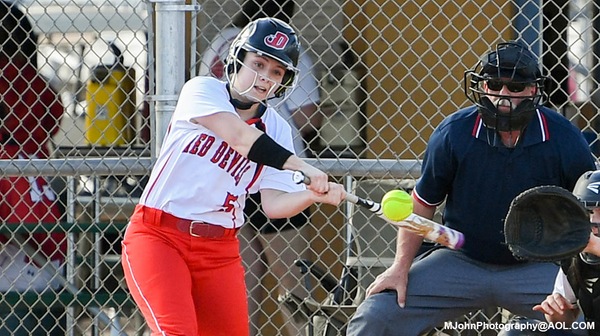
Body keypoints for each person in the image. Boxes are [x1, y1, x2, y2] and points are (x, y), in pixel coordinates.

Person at [346, 40, 597, 335]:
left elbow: (590, 209)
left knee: (585, 322)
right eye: (494, 84)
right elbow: (422, 204)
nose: (503, 97)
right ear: (482, 86)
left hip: (538, 265)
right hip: (462, 259)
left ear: (533, 90)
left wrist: (581, 281)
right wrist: (400, 267)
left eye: (515, 87)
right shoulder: (455, 132)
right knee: (378, 314)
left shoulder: (563, 137)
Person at [121, 17, 345, 336]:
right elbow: (239, 137)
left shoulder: (278, 129)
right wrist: (302, 166)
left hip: (219, 249)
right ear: (238, 59)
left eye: (276, 72)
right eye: (258, 64)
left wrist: (311, 195)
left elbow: (273, 205)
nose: (264, 77)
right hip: (160, 236)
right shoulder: (203, 90)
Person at [199, 1, 322, 334]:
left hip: (226, 169)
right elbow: (307, 116)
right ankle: (304, 331)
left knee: (242, 276)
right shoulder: (287, 52)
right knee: (290, 276)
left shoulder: (225, 41)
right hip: (275, 170)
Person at [0, 1, 66, 335]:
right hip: (37, 163)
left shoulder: (12, 77)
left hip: (13, 174)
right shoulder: (34, 79)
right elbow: (53, 115)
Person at [532, 170, 600, 335]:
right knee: (518, 332)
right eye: (589, 211)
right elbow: (566, 321)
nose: (595, 220)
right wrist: (557, 313)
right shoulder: (577, 257)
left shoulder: (589, 245)